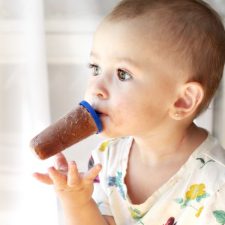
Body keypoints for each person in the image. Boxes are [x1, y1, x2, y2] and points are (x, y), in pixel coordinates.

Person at [33, 0, 225, 224]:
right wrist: (77, 201)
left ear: (182, 100)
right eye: (95, 68)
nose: (96, 88)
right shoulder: (107, 158)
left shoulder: (216, 187)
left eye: (122, 74)